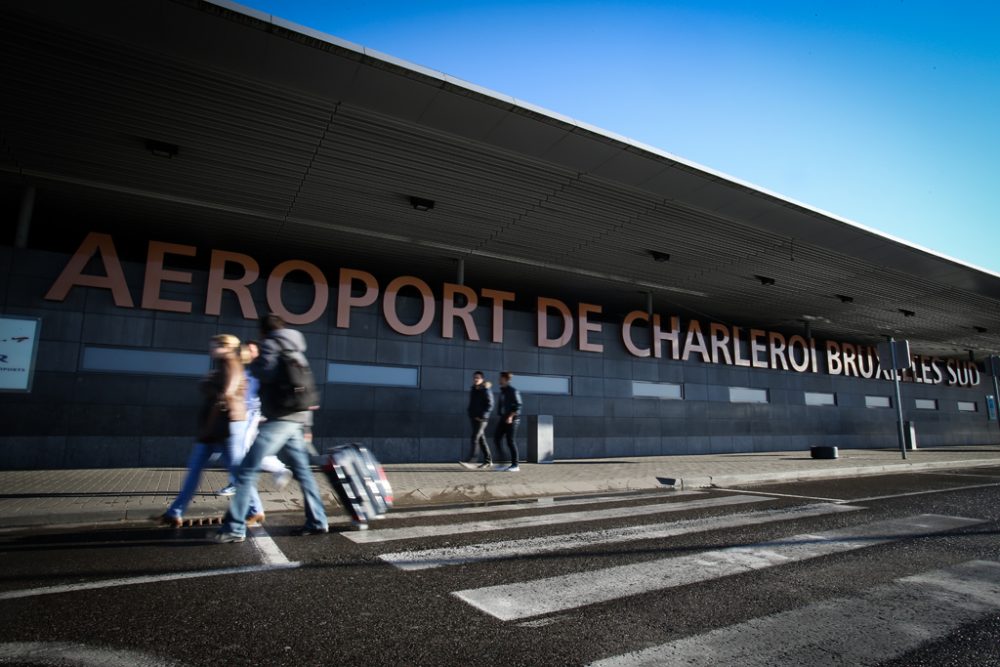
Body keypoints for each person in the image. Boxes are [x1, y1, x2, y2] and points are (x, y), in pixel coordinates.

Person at [214, 314, 328, 543]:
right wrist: (307, 426)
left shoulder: (270, 344)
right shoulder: (296, 347)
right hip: (297, 418)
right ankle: (318, 521)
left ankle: (235, 528)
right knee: (304, 473)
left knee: (247, 469)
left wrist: (253, 360)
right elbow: (306, 386)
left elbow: (265, 373)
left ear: (263, 331)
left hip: (280, 418)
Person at [160, 334, 264, 527]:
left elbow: (226, 394)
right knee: (197, 468)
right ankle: (174, 512)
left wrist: (207, 387)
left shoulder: (230, 362)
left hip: (227, 424)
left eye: (214, 345)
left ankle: (255, 509)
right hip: (219, 425)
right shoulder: (223, 364)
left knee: (235, 469)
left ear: (225, 347)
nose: (211, 348)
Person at [216, 340, 291, 497]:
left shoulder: (261, 370)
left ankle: (236, 483)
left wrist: (263, 413)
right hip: (244, 414)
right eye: (246, 349)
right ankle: (280, 470)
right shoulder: (245, 368)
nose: (247, 352)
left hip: (251, 415)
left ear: (257, 352)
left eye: (251, 350)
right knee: (253, 450)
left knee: (241, 450)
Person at [493, 371, 523, 472]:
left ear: (505, 379)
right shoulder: (503, 391)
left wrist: (510, 416)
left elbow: (518, 405)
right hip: (503, 419)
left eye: (500, 378)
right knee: (497, 438)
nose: (499, 380)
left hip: (513, 419)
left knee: (510, 441)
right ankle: (502, 463)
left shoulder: (513, 391)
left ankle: (515, 465)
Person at [463, 370, 494, 468]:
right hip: (474, 418)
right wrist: (471, 413)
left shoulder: (485, 390)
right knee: (481, 439)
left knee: (474, 437)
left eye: (478, 377)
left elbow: (490, 404)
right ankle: (488, 461)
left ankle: (472, 459)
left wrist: (482, 416)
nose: (476, 379)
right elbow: (472, 404)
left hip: (482, 419)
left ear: (482, 379)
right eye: (475, 377)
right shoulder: (473, 389)